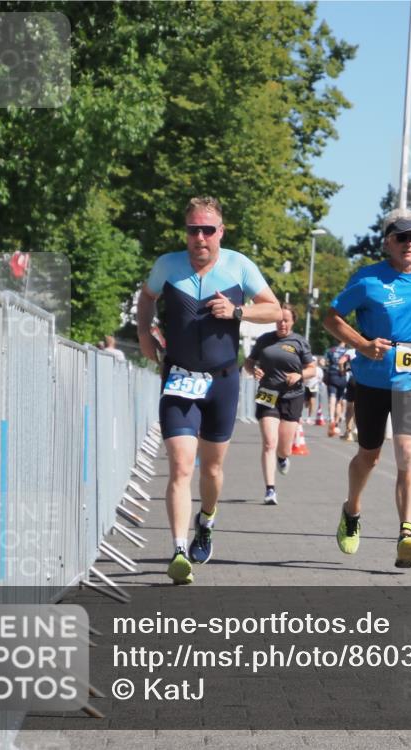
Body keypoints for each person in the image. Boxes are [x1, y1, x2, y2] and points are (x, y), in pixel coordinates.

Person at [137, 196, 281, 584]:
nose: (199, 237)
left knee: (212, 469)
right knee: (182, 465)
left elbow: (274, 309)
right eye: (192, 229)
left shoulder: (239, 266)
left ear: (221, 232)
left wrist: (237, 312)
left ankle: (208, 519)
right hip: (180, 378)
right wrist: (145, 332)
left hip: (222, 381)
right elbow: (147, 298)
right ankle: (179, 549)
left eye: (207, 230)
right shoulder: (167, 265)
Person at [324, 207, 411, 568]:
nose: (410, 243)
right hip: (372, 380)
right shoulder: (368, 280)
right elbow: (330, 317)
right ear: (388, 242)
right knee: (370, 455)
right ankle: (352, 510)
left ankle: (407, 533)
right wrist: (363, 346)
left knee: (408, 455)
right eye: (402, 237)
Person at [244, 304, 315, 505]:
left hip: (293, 395)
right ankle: (270, 490)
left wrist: (298, 374)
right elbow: (249, 363)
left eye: (286, 320)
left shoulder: (300, 342)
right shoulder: (265, 340)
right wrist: (254, 370)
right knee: (269, 442)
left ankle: (283, 458)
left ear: (293, 321)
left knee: (284, 447)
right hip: (267, 393)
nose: (282, 323)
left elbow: (312, 369)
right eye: (279, 319)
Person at [323, 341, 349, 436]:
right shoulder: (347, 351)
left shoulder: (330, 350)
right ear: (344, 341)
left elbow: (323, 362)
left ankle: (331, 418)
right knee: (339, 401)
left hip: (332, 374)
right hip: (342, 376)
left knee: (332, 397)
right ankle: (337, 423)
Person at [303, 356, 321, 422]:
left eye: (314, 361)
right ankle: (304, 414)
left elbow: (320, 379)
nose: (312, 362)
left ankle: (309, 417)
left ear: (316, 362)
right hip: (306, 386)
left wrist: (318, 383)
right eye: (311, 360)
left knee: (312, 401)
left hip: (314, 386)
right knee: (306, 403)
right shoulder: (306, 368)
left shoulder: (319, 370)